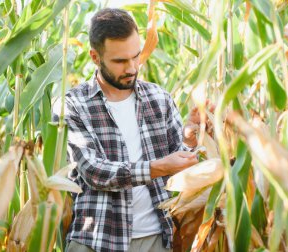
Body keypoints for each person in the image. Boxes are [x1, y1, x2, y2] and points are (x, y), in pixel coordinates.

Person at [53, 8, 202, 252]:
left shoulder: (159, 98)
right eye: (121, 61)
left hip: (156, 238)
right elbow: (93, 171)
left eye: (136, 56)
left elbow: (178, 165)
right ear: (95, 57)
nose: (132, 67)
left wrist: (190, 139)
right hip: (96, 239)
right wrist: (158, 167)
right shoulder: (72, 104)